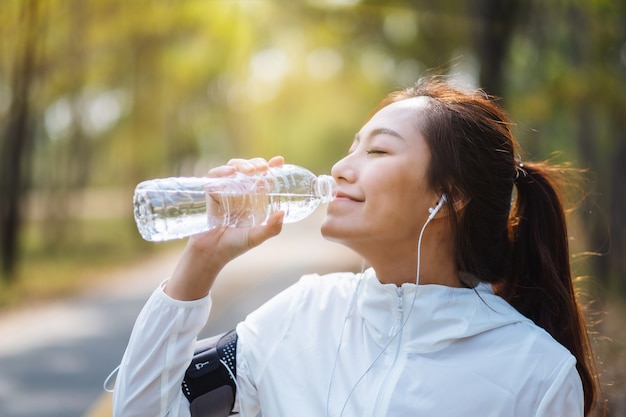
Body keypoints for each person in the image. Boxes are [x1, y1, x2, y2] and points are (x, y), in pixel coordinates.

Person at [112, 77, 603, 417]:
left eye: (378, 150)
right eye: (352, 148)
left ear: (449, 196)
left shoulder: (537, 375)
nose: (342, 168)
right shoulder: (302, 315)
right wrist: (202, 259)